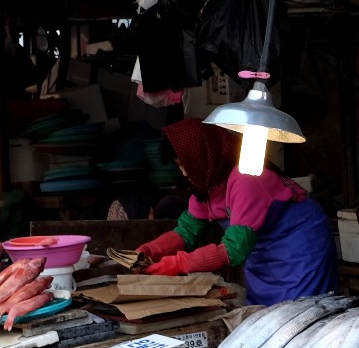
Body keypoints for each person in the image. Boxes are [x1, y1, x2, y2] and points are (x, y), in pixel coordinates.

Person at [134, 119, 340, 303]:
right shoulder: (206, 185)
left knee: (301, 317)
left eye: (183, 165)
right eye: (178, 166)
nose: (183, 172)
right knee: (262, 318)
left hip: (301, 248)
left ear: (203, 155)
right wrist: (151, 250)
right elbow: (186, 231)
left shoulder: (246, 176)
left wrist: (180, 263)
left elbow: (234, 249)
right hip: (262, 255)